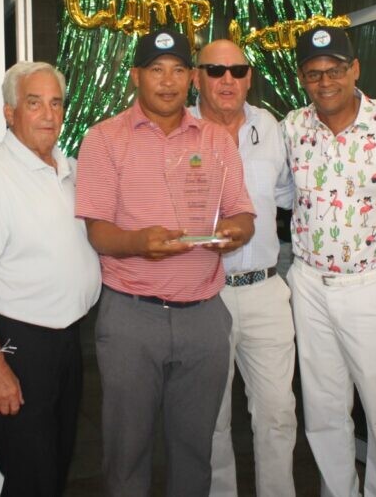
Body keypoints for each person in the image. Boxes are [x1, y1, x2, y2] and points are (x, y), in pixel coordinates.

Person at [75, 29, 256, 497]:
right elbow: (98, 233)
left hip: (204, 316)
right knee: (126, 452)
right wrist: (139, 242)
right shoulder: (104, 139)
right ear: (136, 76)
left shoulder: (215, 139)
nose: (168, 81)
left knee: (195, 452)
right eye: (156, 70)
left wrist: (234, 233)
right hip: (132, 317)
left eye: (178, 70)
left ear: (191, 78)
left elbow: (242, 213)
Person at [0, 61, 101, 496]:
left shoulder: (67, 168)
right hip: (20, 344)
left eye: (56, 104)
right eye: (34, 103)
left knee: (54, 469)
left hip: (67, 340)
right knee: (29, 477)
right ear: (10, 112)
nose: (49, 115)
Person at [281, 25, 376, 497]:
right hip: (310, 283)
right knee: (322, 409)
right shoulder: (292, 127)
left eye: (335, 70)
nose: (325, 82)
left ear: (354, 69)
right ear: (303, 78)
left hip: (373, 283)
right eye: (314, 73)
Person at [190, 40, 297, 497]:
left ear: (249, 77)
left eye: (237, 70)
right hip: (202, 294)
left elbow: (290, 195)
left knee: (278, 414)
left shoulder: (269, 127)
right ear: (197, 77)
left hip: (265, 291)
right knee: (210, 420)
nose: (227, 80)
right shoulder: (178, 129)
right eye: (215, 70)